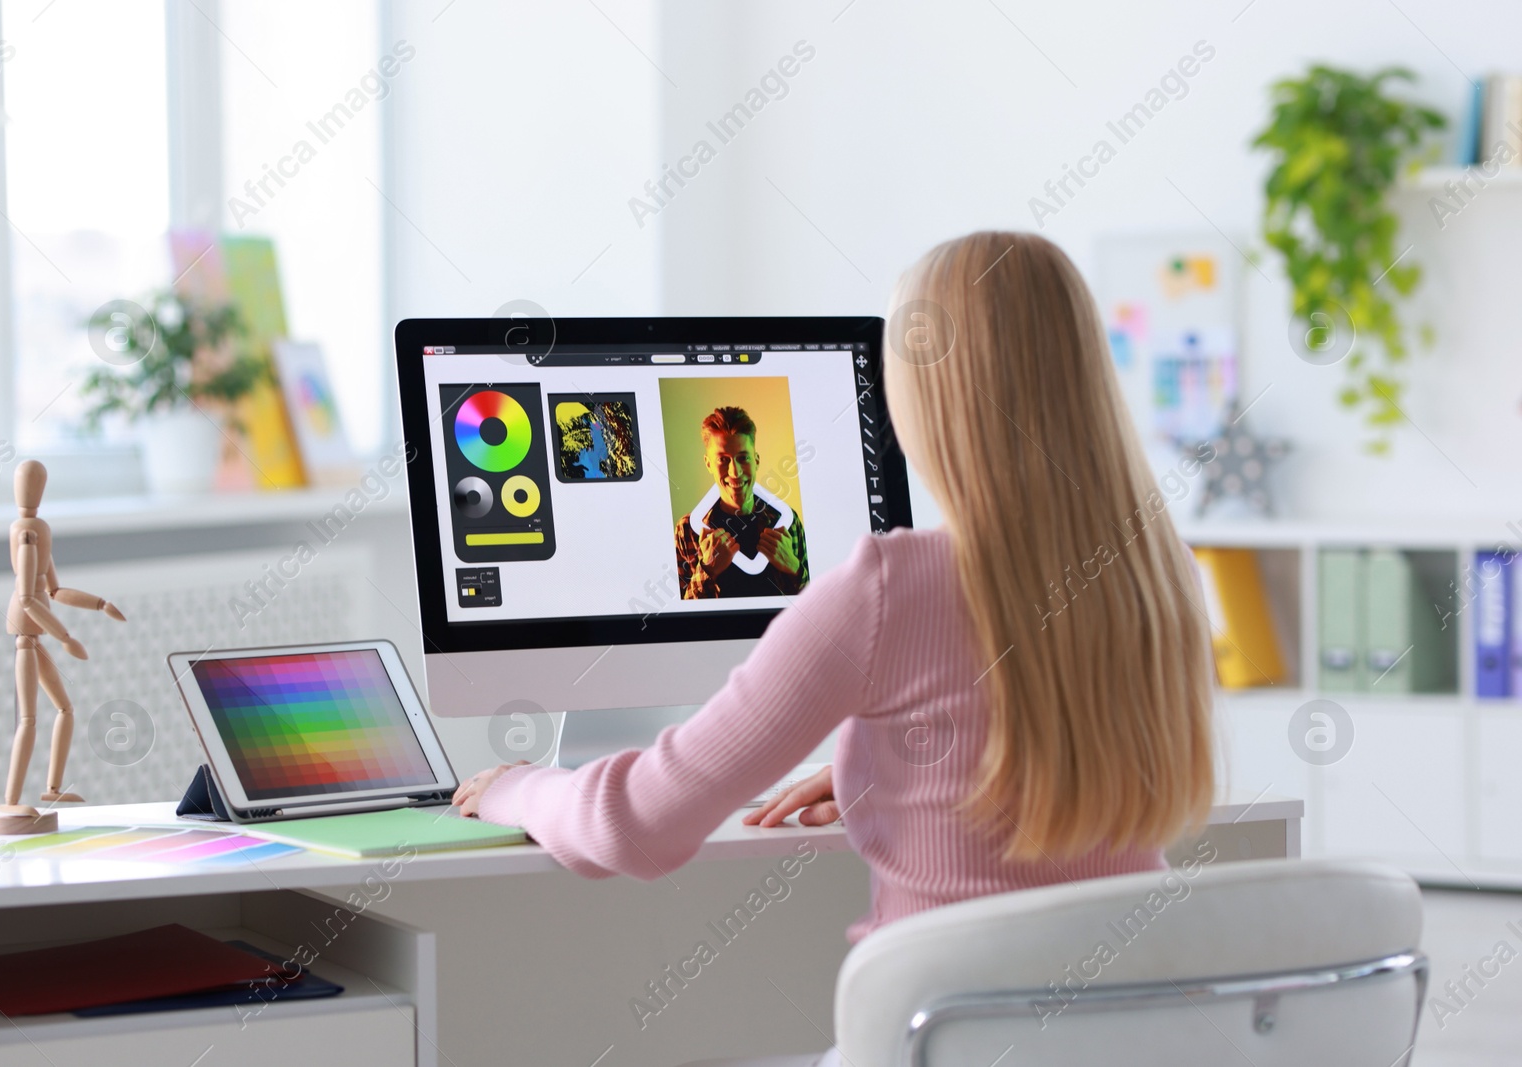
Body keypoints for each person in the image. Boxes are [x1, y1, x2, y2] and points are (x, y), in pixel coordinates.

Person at [453, 232, 1214, 1059]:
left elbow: (636, 825)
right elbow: (1042, 745)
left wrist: (520, 789)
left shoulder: (893, 586)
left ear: (925, 392)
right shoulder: (1154, 569)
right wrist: (892, 766)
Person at [672, 405, 809, 599]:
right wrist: (707, 570)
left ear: (757, 461)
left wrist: (794, 568)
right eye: (723, 460)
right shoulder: (688, 529)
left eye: (743, 458)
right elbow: (680, 618)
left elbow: (815, 605)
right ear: (708, 463)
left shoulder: (786, 522)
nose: (734, 473)